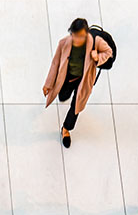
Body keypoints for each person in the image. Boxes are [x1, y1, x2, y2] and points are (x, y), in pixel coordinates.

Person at [42, 18, 112, 148]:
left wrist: (98, 57)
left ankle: (66, 129)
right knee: (63, 95)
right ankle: (63, 94)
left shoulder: (96, 42)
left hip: (84, 80)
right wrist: (48, 84)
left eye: (80, 37)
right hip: (67, 77)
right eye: (74, 36)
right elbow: (55, 63)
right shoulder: (64, 43)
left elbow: (108, 52)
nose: (76, 40)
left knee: (76, 106)